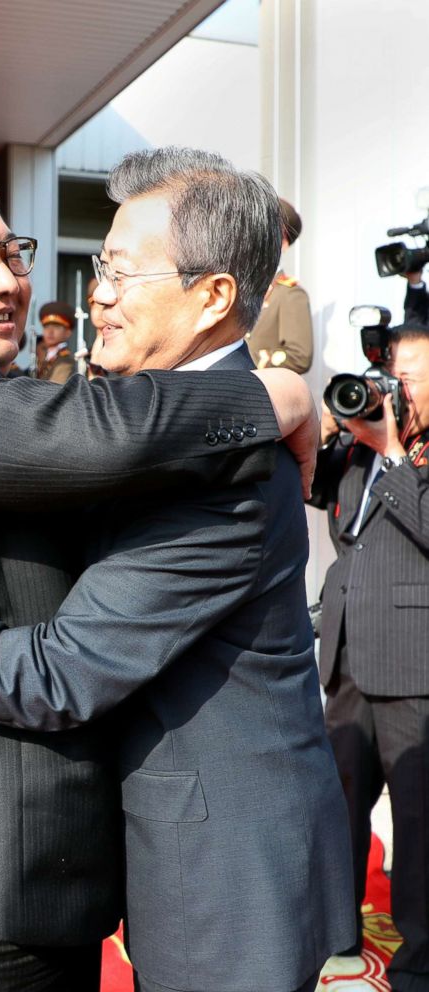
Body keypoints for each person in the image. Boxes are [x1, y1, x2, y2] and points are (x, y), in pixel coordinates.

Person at [0, 151, 350, 992]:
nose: (82, 293)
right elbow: (82, 433)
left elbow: (62, 667)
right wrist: (267, 395)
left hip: (212, 864)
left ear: (210, 296)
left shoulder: (223, 461)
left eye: (10, 255)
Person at [308, 323, 429, 992]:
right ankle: (336, 938)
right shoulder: (361, 450)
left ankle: (418, 961)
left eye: (408, 377)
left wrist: (393, 452)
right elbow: (315, 492)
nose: (394, 389)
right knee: (338, 811)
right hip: (346, 654)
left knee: (415, 823)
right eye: (390, 375)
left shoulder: (412, 452)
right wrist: (335, 427)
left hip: (412, 663)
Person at [247, 197, 314, 374]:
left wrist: (248, 359)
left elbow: (300, 356)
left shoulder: (289, 294)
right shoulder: (241, 288)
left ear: (283, 242)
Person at [36, 300, 76, 382]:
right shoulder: (45, 358)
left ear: (67, 333)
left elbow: (54, 389)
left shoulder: (66, 360)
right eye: (46, 327)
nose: (50, 331)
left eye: (56, 327)